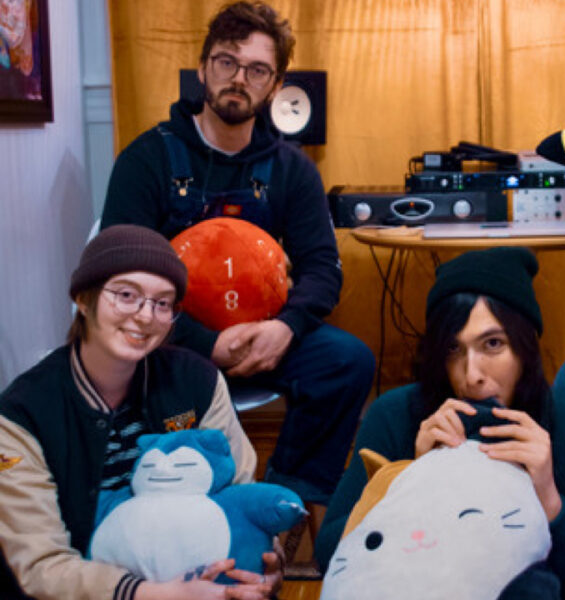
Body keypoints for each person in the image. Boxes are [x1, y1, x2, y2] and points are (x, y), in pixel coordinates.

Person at [101, 1, 374, 503]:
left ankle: (283, 501)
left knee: (347, 361)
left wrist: (284, 329)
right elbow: (119, 278)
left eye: (257, 70)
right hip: (172, 341)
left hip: (264, 340)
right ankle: (170, 501)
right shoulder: (147, 159)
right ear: (203, 67)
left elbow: (322, 269)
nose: (239, 79)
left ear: (275, 83)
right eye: (227, 62)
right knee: (125, 361)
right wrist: (205, 342)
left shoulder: (292, 169)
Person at [314, 247, 565, 599]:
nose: (472, 375)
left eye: (493, 344)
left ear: (526, 347)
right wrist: (411, 480)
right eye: (453, 349)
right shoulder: (396, 415)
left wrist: (550, 502)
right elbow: (330, 555)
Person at [0, 225, 283, 600]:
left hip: (200, 577)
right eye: (126, 295)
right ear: (83, 299)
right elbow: (42, 567)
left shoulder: (196, 381)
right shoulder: (23, 414)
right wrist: (157, 593)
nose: (146, 315)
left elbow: (237, 494)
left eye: (162, 303)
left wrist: (263, 559)